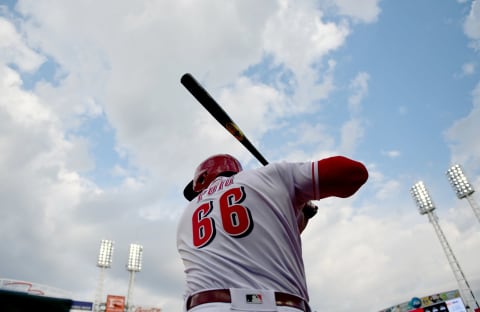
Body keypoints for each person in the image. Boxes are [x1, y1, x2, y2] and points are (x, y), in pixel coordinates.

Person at [177, 154, 368, 312]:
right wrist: (294, 189)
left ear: (201, 178)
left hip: (206, 306)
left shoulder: (186, 215)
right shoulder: (267, 176)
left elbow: (270, 235)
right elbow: (352, 173)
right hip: (280, 305)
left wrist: (299, 207)